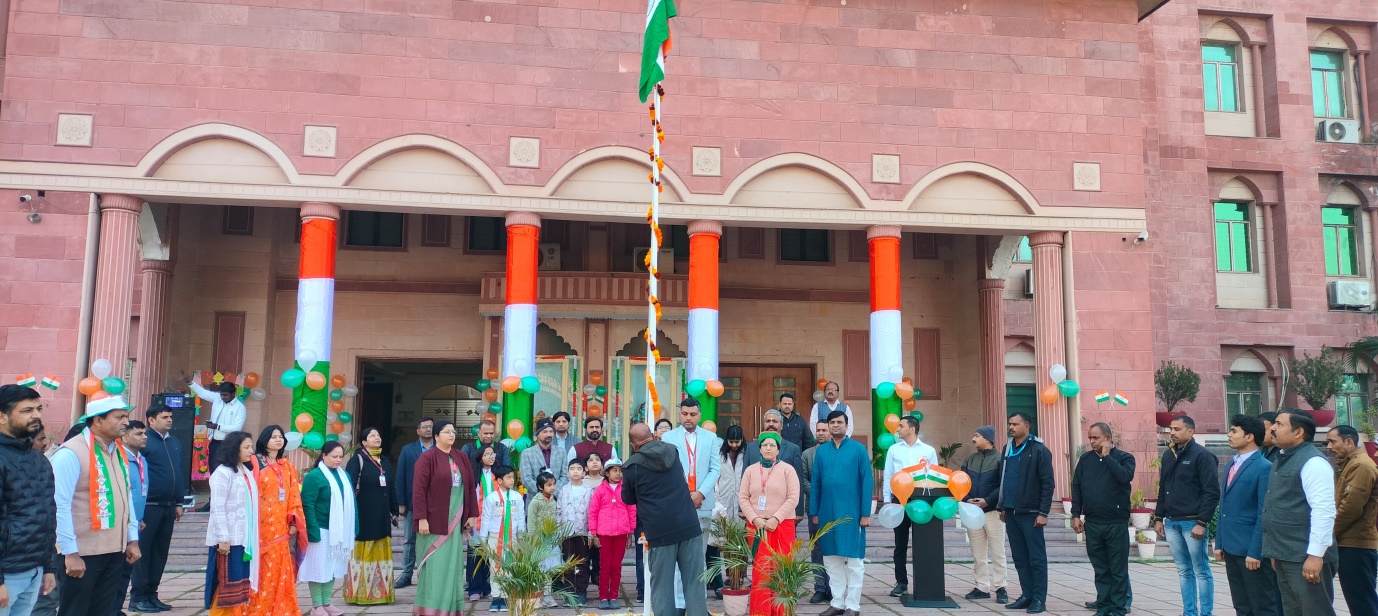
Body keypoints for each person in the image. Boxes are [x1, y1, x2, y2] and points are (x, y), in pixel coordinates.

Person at [52, 396, 141, 616]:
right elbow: (59, 505)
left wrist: (132, 539)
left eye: (126, 417)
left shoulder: (118, 451)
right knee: (75, 611)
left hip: (114, 550)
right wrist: (70, 553)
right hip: (82, 553)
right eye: (119, 417)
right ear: (98, 420)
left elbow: (126, 496)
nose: (126, 422)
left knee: (104, 611)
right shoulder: (71, 453)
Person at [623, 423, 707, 616]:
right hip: (688, 525)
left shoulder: (631, 466)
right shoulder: (672, 451)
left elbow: (627, 498)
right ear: (652, 436)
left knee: (662, 586)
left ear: (634, 445)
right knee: (694, 583)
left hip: (660, 532)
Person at [1262, 410, 1338, 616]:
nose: (1272, 428)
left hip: (1305, 555)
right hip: (1285, 553)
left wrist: (1315, 555)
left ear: (1298, 432)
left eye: (1279, 424)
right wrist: (1276, 551)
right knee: (1293, 611)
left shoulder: (1314, 462)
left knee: (1315, 611)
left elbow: (1323, 511)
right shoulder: (1282, 457)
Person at [1154, 415, 1220, 616]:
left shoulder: (1202, 455)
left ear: (1191, 432)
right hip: (1172, 522)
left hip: (1192, 522)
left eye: (1177, 429)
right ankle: (1189, 612)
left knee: (1201, 570)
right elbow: (1163, 488)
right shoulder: (1168, 455)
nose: (1172, 432)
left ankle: (1206, 613)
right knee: (1183, 570)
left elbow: (1211, 492)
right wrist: (1159, 517)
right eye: (1171, 429)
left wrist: (1202, 522)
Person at [0, 385, 57, 616]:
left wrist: (48, 567)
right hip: (6, 574)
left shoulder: (39, 460)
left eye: (39, 409)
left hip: (34, 570)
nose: (36, 415)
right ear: (2, 417)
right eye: (26, 410)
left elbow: (48, 515)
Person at [660, 398, 722, 611]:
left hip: (702, 503)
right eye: (685, 414)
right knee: (679, 557)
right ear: (680, 414)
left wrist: (700, 493)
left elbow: (715, 469)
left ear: (699, 415)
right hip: (678, 504)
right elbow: (666, 469)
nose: (688, 418)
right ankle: (679, 604)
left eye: (693, 414)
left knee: (698, 557)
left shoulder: (711, 438)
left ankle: (698, 605)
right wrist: (685, 495)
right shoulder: (668, 437)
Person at [412, 420, 479, 616]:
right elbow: (418, 490)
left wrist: (472, 514)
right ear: (436, 436)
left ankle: (450, 608)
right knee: (435, 566)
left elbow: (470, 486)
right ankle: (430, 609)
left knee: (452, 565)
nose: (451, 434)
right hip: (433, 521)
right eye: (447, 431)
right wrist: (421, 518)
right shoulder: (427, 458)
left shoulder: (460, 456)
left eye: (453, 431)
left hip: (455, 521)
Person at [810, 410, 872, 616]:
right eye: (832, 422)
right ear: (828, 426)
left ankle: (853, 606)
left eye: (839, 422)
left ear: (846, 425)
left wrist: (865, 513)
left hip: (852, 513)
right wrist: (814, 511)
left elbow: (867, 482)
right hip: (827, 512)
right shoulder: (822, 451)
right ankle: (837, 603)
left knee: (854, 561)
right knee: (831, 560)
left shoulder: (858, 450)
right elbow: (816, 483)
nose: (835, 425)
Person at [1215, 414, 1277, 616]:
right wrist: (1219, 542)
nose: (1229, 434)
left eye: (1234, 431)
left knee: (1262, 605)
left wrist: (1256, 551)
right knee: (1241, 604)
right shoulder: (1232, 464)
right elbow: (1224, 507)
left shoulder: (1264, 467)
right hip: (1231, 547)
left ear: (1249, 436)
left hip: (1251, 549)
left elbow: (1263, 512)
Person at [1070, 423, 1134, 616]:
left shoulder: (1124, 458)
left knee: (1118, 570)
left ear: (1107, 438)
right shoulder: (1086, 459)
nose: (1091, 441)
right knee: (1101, 569)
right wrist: (1075, 515)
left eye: (1096, 438)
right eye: (1090, 437)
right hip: (1093, 523)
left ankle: (1118, 609)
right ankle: (1103, 607)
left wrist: (1107, 457)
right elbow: (1077, 487)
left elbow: (1124, 477)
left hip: (1116, 523)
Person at [739, 432, 800, 616]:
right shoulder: (750, 471)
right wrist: (755, 518)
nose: (768, 448)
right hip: (757, 527)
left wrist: (776, 518)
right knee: (762, 571)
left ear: (778, 450)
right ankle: (761, 612)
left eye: (772, 445)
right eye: (765, 445)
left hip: (782, 525)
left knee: (781, 569)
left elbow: (793, 497)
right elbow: (743, 498)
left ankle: (780, 612)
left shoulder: (788, 470)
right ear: (759, 449)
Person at [247, 425, 306, 616]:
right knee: (263, 565)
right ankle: (260, 607)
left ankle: (281, 607)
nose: (278, 440)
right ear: (264, 441)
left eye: (280, 436)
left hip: (282, 525)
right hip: (260, 524)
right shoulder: (255, 462)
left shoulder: (286, 465)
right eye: (274, 437)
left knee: (281, 565)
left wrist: (294, 522)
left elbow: (294, 495)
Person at [130, 404, 184, 613]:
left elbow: (178, 472)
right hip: (149, 506)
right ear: (151, 420)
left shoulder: (174, 443)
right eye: (164, 417)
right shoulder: (145, 442)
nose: (169, 420)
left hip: (169, 506)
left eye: (170, 416)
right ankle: (138, 597)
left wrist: (179, 502)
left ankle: (152, 594)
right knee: (143, 553)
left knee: (160, 554)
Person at [999, 412, 1053, 614]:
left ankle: (1039, 599)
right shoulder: (1007, 448)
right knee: (1020, 557)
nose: (1011, 427)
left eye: (1015, 424)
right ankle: (1027, 595)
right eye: (1010, 424)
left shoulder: (1039, 450)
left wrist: (1043, 512)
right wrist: (1003, 506)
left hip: (1031, 513)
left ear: (1027, 426)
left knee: (1036, 558)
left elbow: (1048, 483)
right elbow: (1004, 479)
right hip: (1011, 511)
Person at [879, 414, 938, 598]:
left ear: (912, 429)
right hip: (900, 499)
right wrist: (887, 499)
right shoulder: (894, 449)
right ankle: (901, 582)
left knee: (924, 542)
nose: (898, 429)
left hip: (923, 500)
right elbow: (888, 474)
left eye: (901, 426)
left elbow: (935, 476)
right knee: (900, 543)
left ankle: (926, 581)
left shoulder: (928, 450)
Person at [204, 431, 259, 615]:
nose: (251, 451)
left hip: (243, 539)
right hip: (228, 540)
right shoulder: (222, 473)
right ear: (235, 448)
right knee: (226, 588)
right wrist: (223, 538)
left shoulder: (245, 471)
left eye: (251, 446)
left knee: (240, 587)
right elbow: (217, 507)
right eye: (247, 447)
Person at [343, 427, 399, 605]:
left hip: (382, 515)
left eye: (378, 435)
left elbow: (391, 487)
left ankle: (381, 593)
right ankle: (360, 594)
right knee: (363, 552)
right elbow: (349, 488)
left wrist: (394, 510)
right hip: (364, 515)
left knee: (381, 550)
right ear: (364, 442)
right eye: (372, 435)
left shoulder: (385, 461)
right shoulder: (357, 460)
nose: (377, 437)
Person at [1327, 424, 1378, 616]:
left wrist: (1328, 533)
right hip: (1349, 542)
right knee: (1358, 599)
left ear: (1349, 442)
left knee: (1362, 601)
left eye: (1333, 441)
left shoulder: (1361, 465)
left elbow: (1350, 508)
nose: (1329, 447)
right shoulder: (1350, 463)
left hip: (1357, 544)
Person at [301, 441, 356, 616]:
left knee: (332, 567)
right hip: (321, 529)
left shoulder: (344, 475)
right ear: (324, 456)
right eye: (334, 456)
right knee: (318, 568)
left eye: (340, 456)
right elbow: (307, 504)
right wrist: (312, 530)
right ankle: (316, 606)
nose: (338, 460)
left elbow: (352, 502)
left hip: (340, 531)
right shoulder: (314, 476)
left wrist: (355, 527)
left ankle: (327, 602)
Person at [960, 425, 1006, 604]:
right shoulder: (969, 459)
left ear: (988, 438)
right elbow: (961, 483)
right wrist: (967, 499)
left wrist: (988, 500)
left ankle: (1001, 587)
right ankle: (982, 587)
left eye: (977, 435)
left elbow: (1003, 485)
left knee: (998, 552)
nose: (973, 439)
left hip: (993, 512)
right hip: (973, 513)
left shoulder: (1001, 459)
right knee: (978, 554)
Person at [589, 458, 635, 610]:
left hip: (621, 533)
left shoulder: (626, 490)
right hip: (604, 534)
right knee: (605, 567)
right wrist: (594, 534)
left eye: (620, 471)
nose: (618, 473)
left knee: (616, 566)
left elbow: (631, 510)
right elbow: (593, 512)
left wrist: (630, 534)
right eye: (614, 470)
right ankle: (603, 596)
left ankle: (614, 596)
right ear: (607, 473)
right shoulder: (600, 490)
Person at [394, 417, 434, 589]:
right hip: (412, 502)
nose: (428, 429)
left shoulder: (440, 448)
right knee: (410, 539)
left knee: (433, 539)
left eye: (431, 426)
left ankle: (429, 575)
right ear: (418, 430)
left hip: (435, 503)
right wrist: (401, 502)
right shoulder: (407, 450)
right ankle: (406, 574)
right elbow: (401, 476)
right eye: (424, 427)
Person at [115, 419, 149, 614]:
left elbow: (139, 492)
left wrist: (139, 519)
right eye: (138, 434)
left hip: (135, 523)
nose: (144, 437)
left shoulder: (142, 460)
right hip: (120, 523)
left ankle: (117, 608)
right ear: (125, 437)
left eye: (144, 433)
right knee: (117, 572)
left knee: (125, 571)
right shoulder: (120, 459)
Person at [708, 425, 746, 598]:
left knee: (739, 542)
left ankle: (736, 576)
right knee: (720, 541)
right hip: (722, 503)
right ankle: (717, 578)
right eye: (731, 442)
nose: (734, 445)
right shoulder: (719, 455)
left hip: (741, 503)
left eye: (737, 442)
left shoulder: (746, 455)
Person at [481, 465, 524, 613]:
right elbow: (486, 518)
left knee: (509, 567)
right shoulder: (491, 498)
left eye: (513, 477)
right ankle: (495, 597)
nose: (512, 480)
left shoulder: (517, 497)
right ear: (499, 480)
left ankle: (506, 596)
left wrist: (521, 536)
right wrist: (483, 538)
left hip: (512, 537)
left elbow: (520, 517)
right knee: (495, 567)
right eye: (508, 478)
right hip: (495, 537)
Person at [185, 375, 245, 476]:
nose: (222, 397)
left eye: (225, 395)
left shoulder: (240, 407)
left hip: (229, 443)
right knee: (214, 469)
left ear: (233, 394)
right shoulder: (218, 398)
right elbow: (202, 393)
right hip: (215, 442)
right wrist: (190, 383)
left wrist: (218, 426)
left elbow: (237, 427)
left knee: (227, 470)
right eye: (221, 394)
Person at [801, 420, 831, 604]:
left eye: (824, 430)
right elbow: (803, 478)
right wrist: (818, 493)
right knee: (817, 549)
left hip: (834, 508)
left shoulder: (837, 453)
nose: (820, 433)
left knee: (834, 550)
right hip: (814, 509)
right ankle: (820, 588)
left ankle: (833, 588)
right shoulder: (807, 454)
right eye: (818, 430)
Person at [557, 459, 594, 607]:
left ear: (584, 472)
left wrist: (591, 532)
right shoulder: (563, 490)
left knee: (583, 562)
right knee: (568, 563)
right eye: (572, 468)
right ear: (567, 473)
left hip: (583, 532)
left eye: (579, 468)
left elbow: (592, 513)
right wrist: (559, 532)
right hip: (567, 532)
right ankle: (569, 592)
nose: (575, 471)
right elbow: (558, 512)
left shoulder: (589, 491)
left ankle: (581, 591)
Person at [467, 444, 499, 602]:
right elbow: (470, 497)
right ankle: (474, 588)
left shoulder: (497, 475)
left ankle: (487, 588)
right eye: (487, 455)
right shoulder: (473, 475)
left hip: (494, 519)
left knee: (490, 555)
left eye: (493, 454)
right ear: (480, 457)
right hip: (477, 519)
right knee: (476, 555)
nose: (491, 457)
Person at [527, 471, 561, 609]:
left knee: (550, 568)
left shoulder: (554, 500)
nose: (552, 487)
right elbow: (531, 523)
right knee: (539, 568)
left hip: (551, 539)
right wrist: (533, 541)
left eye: (553, 484)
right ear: (541, 487)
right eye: (549, 485)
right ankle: (537, 595)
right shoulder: (535, 502)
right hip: (539, 540)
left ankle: (547, 595)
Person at [519, 419, 568, 499]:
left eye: (551, 431)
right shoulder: (527, 453)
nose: (549, 434)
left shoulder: (561, 452)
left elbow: (565, 477)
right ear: (537, 434)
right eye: (545, 432)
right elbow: (526, 479)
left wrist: (553, 493)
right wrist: (543, 494)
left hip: (557, 499)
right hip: (535, 500)